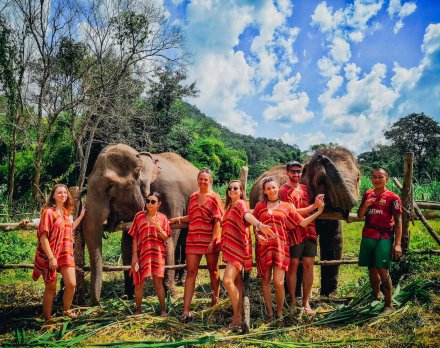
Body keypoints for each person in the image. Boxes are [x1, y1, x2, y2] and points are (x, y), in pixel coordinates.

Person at [253, 176, 324, 320]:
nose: (272, 190)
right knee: (265, 280)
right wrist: (257, 235)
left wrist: (318, 212)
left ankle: (279, 312)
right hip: (264, 247)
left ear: (278, 188)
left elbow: (302, 223)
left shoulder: (287, 206)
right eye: (268, 188)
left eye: (274, 187)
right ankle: (269, 313)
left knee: (278, 282)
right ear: (264, 191)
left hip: (280, 248)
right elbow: (256, 225)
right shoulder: (260, 206)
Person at [169, 168, 224, 323]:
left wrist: (214, 240)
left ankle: (214, 304)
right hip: (193, 239)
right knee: (191, 272)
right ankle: (186, 310)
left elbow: (218, 220)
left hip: (209, 240)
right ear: (197, 180)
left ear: (210, 181)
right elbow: (192, 216)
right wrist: (177, 220)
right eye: (200, 179)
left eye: (206, 179)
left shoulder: (214, 197)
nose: (203, 182)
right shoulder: (193, 197)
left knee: (213, 271)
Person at [221, 180, 276, 331]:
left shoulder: (240, 204)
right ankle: (236, 314)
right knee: (237, 283)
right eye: (230, 188)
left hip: (238, 250)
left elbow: (247, 216)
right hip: (230, 248)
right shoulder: (229, 207)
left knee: (227, 281)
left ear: (241, 192)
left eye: (236, 188)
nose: (232, 190)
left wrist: (260, 225)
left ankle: (238, 318)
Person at [32, 184, 86, 322]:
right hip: (51, 254)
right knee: (51, 288)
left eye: (65, 192)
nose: (63, 195)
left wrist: (81, 216)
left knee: (72, 284)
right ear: (54, 196)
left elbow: (69, 228)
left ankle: (66, 309)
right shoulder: (49, 213)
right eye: (60, 192)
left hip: (66, 252)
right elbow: (43, 236)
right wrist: (51, 258)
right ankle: (47, 318)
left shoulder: (67, 213)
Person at [279, 160, 324, 314]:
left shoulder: (305, 189)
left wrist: (316, 205)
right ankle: (292, 301)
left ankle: (306, 302)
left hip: (309, 231)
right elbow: (293, 213)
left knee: (308, 266)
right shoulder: (283, 191)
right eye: (293, 171)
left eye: (299, 171)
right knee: (292, 266)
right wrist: (314, 207)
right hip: (293, 233)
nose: (296, 174)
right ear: (287, 173)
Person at [357, 168, 402, 315]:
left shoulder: (393, 197)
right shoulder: (368, 194)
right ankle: (376, 295)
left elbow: (398, 222)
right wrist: (365, 205)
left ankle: (388, 305)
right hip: (368, 235)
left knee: (383, 270)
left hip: (384, 237)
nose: (376, 180)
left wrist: (397, 244)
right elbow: (359, 216)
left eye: (380, 177)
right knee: (371, 267)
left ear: (386, 180)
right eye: (374, 177)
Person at [129, 192, 171, 316]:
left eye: (153, 202)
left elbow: (166, 238)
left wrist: (159, 227)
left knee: (158, 282)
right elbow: (135, 237)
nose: (150, 204)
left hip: (157, 254)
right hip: (142, 254)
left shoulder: (163, 218)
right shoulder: (139, 216)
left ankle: (163, 309)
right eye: (148, 201)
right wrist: (134, 256)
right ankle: (138, 309)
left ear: (159, 204)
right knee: (139, 283)